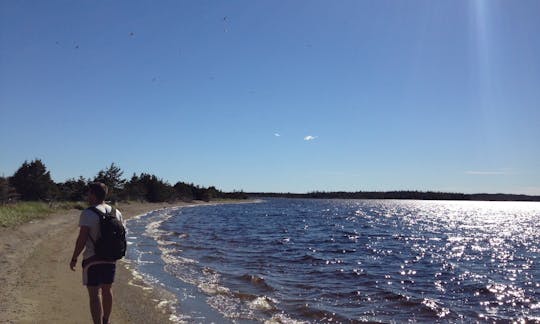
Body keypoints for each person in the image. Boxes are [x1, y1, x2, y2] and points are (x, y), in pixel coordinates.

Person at [70, 182, 124, 324]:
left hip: (92, 259)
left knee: (94, 295)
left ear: (93, 194)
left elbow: (82, 240)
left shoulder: (88, 213)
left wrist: (74, 258)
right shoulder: (116, 213)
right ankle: (106, 320)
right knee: (107, 290)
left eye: (88, 193)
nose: (87, 196)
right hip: (111, 259)